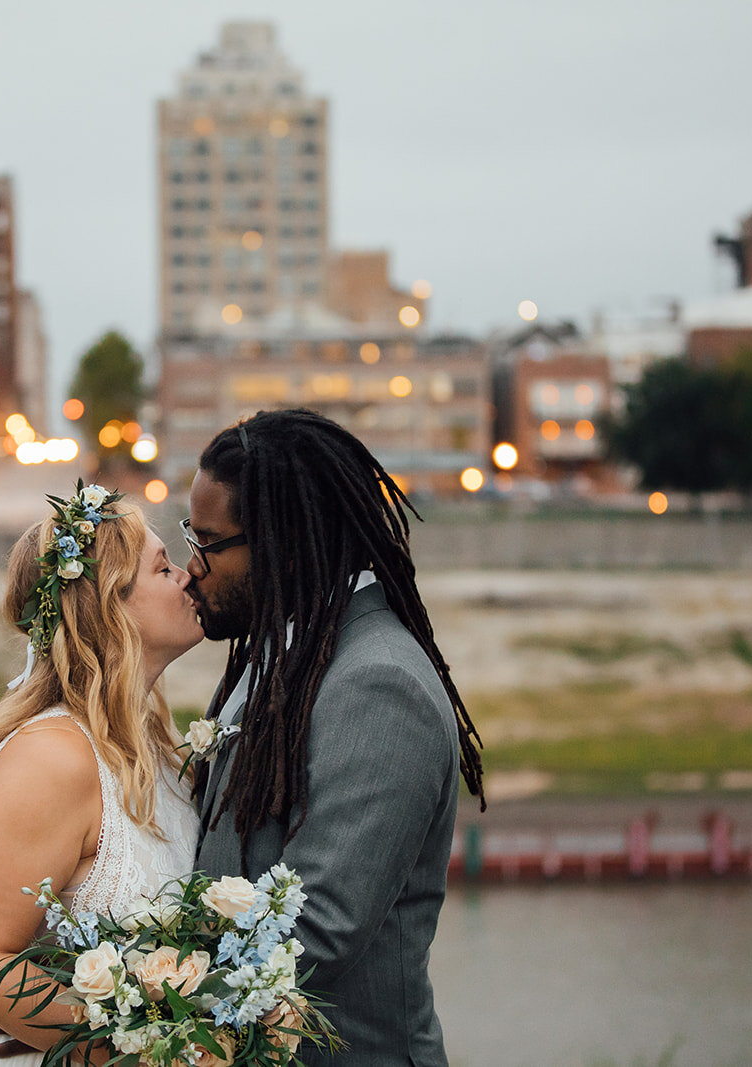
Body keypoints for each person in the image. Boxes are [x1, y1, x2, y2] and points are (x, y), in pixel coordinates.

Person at [183, 409, 485, 1067]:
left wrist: (106, 1013)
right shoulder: (282, 652)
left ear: (284, 544)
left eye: (208, 542)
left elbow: (313, 930)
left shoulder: (379, 683)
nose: (190, 567)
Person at [0, 486, 204, 1067]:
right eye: (163, 568)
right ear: (110, 606)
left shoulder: (156, 750)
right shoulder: (54, 759)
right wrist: (138, 1053)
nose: (188, 577)